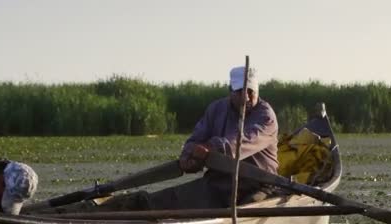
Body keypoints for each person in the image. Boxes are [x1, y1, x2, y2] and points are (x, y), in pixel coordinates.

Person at [89, 66, 279, 212]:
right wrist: (189, 156)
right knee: (159, 202)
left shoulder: (266, 116)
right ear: (230, 91)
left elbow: (240, 142)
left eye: (251, 91)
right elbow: (196, 139)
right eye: (240, 92)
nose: (246, 97)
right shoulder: (216, 109)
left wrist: (209, 149)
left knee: (245, 211)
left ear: (257, 91)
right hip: (218, 182)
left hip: (257, 185)